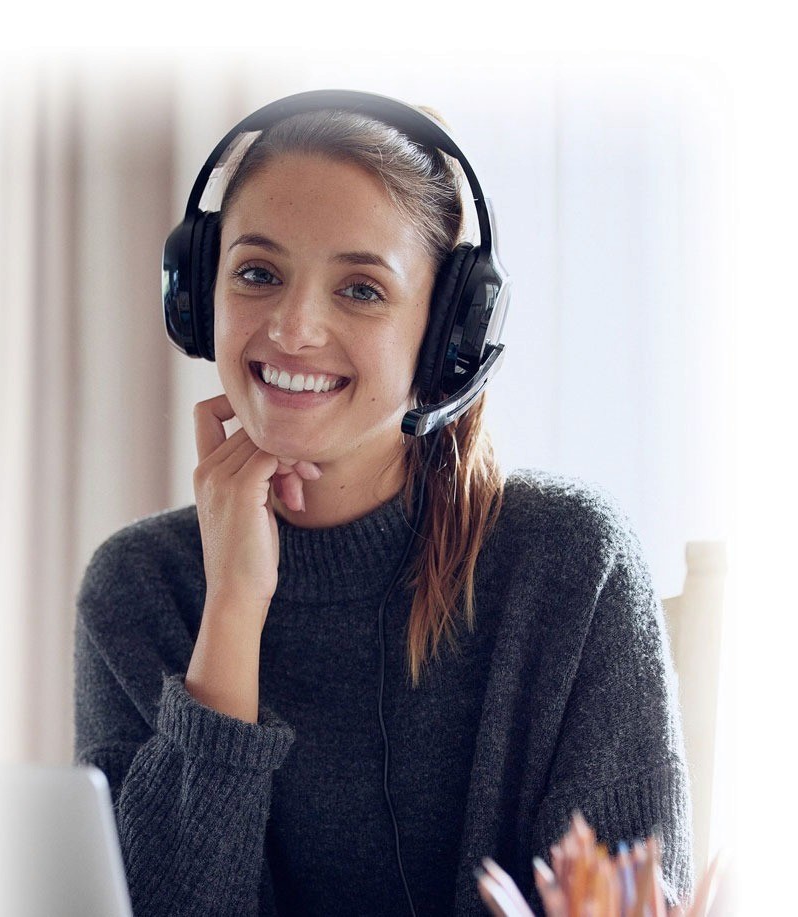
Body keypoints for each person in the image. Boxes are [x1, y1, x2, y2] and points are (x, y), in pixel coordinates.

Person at [72, 96, 693, 916]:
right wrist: (231, 612)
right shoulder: (139, 588)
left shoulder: (570, 568)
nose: (293, 328)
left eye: (361, 289)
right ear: (196, 295)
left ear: (447, 337)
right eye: (257, 273)